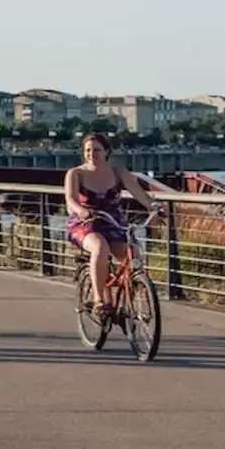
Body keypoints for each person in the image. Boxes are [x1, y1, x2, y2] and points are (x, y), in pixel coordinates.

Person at [64, 133, 161, 319]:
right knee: (100, 247)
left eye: (97, 150)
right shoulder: (76, 174)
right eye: (88, 150)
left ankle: (131, 296)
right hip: (85, 222)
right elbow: (70, 199)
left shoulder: (118, 172)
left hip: (113, 220)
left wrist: (154, 207)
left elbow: (138, 193)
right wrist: (81, 211)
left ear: (107, 151)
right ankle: (100, 301)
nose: (92, 154)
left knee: (132, 254)